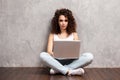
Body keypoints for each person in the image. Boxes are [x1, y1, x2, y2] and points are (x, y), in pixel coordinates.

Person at [40, 8, 94, 76]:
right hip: (57, 61)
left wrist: (71, 54)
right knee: (42, 55)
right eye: (61, 20)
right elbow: (49, 51)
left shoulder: (74, 33)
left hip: (71, 61)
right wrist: (56, 54)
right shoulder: (52, 34)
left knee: (89, 56)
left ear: (69, 22)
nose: (63, 23)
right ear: (57, 22)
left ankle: (59, 70)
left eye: (66, 21)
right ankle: (69, 71)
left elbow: (76, 51)